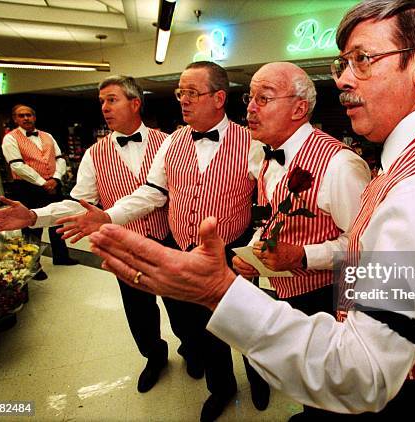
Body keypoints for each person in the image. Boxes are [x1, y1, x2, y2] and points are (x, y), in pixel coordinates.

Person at [89, 0, 415, 419]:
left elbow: (361, 374)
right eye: (343, 62)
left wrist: (217, 290)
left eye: (362, 59)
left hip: (412, 401)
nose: (342, 78)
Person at [56, 61, 265, 422]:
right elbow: (152, 192)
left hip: (235, 250)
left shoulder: (252, 143)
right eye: (180, 92)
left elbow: (266, 202)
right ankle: (222, 387)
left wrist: (257, 247)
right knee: (206, 326)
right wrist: (107, 215)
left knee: (248, 320)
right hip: (186, 250)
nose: (182, 100)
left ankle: (259, 375)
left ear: (218, 98)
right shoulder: (171, 143)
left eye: (192, 93)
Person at [0, 76, 182, 394]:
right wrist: (33, 216)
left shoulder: (170, 142)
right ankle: (154, 357)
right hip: (121, 247)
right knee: (139, 311)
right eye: (101, 101)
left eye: (112, 99)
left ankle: (192, 348)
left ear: (135, 103)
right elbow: (76, 201)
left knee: (181, 306)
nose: (104, 107)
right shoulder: (94, 154)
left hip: (166, 240)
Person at [233, 61, 370, 418]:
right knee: (308, 368)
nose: (249, 107)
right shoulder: (264, 154)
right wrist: (255, 251)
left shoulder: (340, 165)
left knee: (330, 374)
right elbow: (273, 214)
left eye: (264, 98)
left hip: (329, 296)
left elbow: (364, 245)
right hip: (287, 288)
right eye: (250, 97)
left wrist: (305, 255)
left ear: (298, 108)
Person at [2, 104, 77, 279]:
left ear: (34, 117)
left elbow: (60, 159)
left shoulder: (47, 136)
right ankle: (33, 266)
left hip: (53, 183)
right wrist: (43, 182)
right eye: (21, 116)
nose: (26, 118)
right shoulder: (10, 139)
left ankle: (61, 256)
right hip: (27, 187)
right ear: (15, 119)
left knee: (58, 220)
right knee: (30, 226)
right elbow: (17, 165)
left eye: (29, 115)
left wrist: (56, 179)